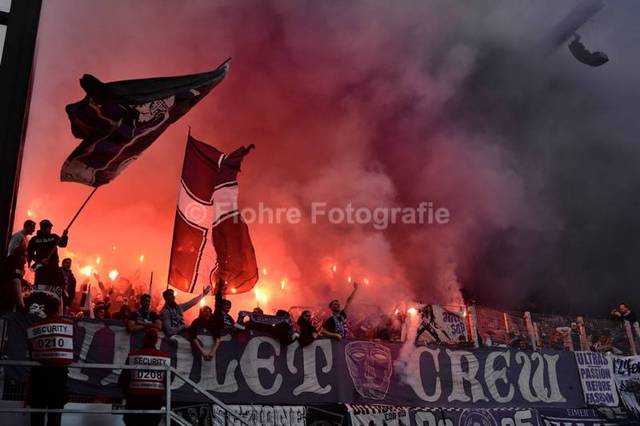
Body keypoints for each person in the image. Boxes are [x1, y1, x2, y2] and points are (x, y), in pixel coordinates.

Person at [26, 296, 73, 426]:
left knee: (36, 419)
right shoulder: (68, 326)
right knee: (55, 419)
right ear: (59, 309)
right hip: (58, 379)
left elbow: (31, 350)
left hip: (38, 378)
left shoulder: (34, 327)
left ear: (44, 309)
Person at [118, 329, 170, 426]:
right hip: (155, 403)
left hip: (134, 402)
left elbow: (123, 380)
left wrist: (128, 394)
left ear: (144, 339)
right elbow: (168, 381)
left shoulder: (133, 356)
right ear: (156, 341)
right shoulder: (165, 358)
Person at [0, 247, 28, 314]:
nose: (26, 258)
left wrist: (26, 282)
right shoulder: (13, 262)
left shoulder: (17, 264)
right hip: (4, 291)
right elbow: (14, 279)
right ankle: (21, 307)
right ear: (20, 255)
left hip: (8, 290)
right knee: (17, 281)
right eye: (25, 256)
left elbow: (15, 276)